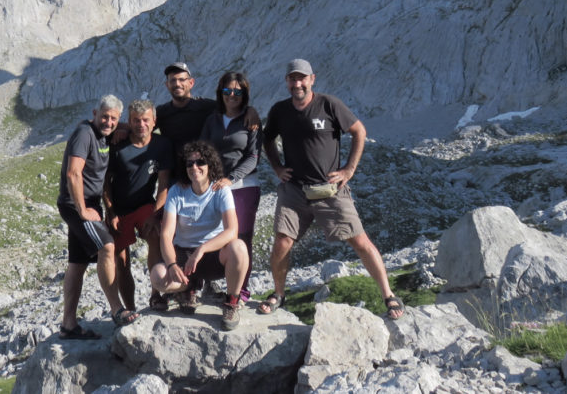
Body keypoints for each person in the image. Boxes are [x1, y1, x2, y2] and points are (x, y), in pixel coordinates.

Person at [258, 59, 404, 320]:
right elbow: (267, 138)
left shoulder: (328, 104)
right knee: (282, 242)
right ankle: (279, 294)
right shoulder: (280, 110)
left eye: (302, 78)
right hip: (294, 190)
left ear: (312, 79)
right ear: (287, 81)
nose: (297, 83)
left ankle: (388, 295)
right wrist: (277, 168)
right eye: (293, 79)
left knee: (360, 241)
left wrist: (349, 169)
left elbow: (359, 131)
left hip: (330, 190)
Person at [56, 95, 139, 339]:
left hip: (86, 204)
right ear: (94, 113)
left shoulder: (104, 133)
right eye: (104, 116)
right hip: (76, 204)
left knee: (77, 263)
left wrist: (122, 126)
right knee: (107, 246)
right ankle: (116, 309)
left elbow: (118, 126)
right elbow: (73, 173)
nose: (109, 122)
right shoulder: (85, 134)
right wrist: (82, 210)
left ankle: (68, 325)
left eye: (114, 118)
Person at [149, 140, 249, 331]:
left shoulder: (221, 190)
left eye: (200, 162)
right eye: (189, 163)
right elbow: (166, 234)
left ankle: (232, 302)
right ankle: (187, 289)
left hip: (213, 255)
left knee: (239, 247)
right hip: (183, 255)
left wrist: (202, 249)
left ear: (210, 164)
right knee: (158, 276)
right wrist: (171, 264)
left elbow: (231, 230)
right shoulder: (177, 191)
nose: (194, 167)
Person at [103, 99, 174, 313]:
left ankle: (156, 294)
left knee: (155, 236)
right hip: (119, 209)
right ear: (129, 122)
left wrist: (156, 213)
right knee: (122, 261)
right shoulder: (117, 146)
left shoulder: (162, 145)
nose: (141, 124)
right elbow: (105, 182)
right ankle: (130, 309)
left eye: (145, 120)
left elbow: (163, 184)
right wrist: (110, 211)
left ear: (154, 121)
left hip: (144, 204)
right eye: (136, 120)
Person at [199, 70, 262, 304]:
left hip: (243, 186)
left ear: (244, 94)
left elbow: (254, 157)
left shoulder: (251, 119)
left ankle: (240, 291)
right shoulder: (212, 119)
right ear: (221, 92)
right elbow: (203, 149)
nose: (232, 95)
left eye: (238, 91)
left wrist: (231, 178)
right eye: (228, 90)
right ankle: (208, 284)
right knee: (212, 235)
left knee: (242, 237)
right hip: (213, 187)